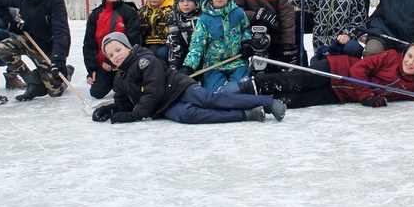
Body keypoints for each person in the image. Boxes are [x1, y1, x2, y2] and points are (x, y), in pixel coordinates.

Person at [91, 32, 286, 124]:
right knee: (188, 116)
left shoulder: (144, 61)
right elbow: (124, 102)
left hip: (178, 88)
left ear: (128, 47)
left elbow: (154, 91)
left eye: (118, 49)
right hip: (164, 106)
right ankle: (247, 114)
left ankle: (268, 103)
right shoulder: (119, 79)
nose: (116, 55)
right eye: (111, 55)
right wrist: (110, 109)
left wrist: (135, 115)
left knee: (209, 100)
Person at [252, 42, 414, 109]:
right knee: (295, 81)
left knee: (298, 100)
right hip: (336, 69)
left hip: (340, 94)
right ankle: (248, 87)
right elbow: (358, 70)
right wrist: (367, 97)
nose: (410, 62)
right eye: (410, 56)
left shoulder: (413, 87)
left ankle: (256, 103)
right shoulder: (391, 57)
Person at [0, 0, 73, 102]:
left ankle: (66, 72)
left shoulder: (55, 0)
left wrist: (59, 57)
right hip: (29, 39)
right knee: (2, 48)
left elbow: (61, 31)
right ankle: (33, 80)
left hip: (48, 46)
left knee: (54, 91)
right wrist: (12, 24)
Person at [181, 0, 251, 92]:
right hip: (214, 65)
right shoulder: (204, 20)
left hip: (237, 62)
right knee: (214, 93)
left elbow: (246, 30)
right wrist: (189, 66)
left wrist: (246, 43)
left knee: (241, 88)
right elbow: (197, 45)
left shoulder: (238, 13)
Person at [83, 0, 141, 99]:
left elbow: (134, 40)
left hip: (124, 62)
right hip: (103, 63)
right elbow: (88, 44)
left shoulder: (129, 12)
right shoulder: (95, 15)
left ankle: (122, 81)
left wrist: (112, 59)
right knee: (96, 92)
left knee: (125, 92)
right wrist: (91, 69)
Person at [166, 0, 203, 72]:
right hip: (183, 52)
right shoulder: (174, 16)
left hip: (201, 53)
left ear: (195, 1)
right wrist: (174, 69)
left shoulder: (203, 15)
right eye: (182, 1)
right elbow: (174, 42)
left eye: (189, 0)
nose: (185, 4)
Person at [138, 0, 174, 64]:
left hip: (165, 44)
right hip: (147, 43)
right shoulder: (142, 11)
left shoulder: (171, 10)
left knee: (159, 53)